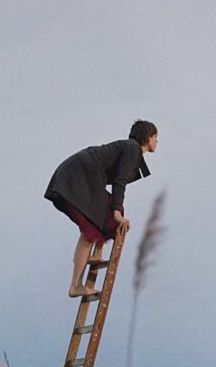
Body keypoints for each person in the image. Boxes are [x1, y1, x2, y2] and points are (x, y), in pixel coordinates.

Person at [45, 120, 157, 297]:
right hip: (78, 175)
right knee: (101, 220)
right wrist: (118, 213)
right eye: (155, 137)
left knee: (101, 218)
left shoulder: (129, 149)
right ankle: (76, 286)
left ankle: (95, 253)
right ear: (147, 137)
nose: (157, 141)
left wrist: (116, 211)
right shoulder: (133, 148)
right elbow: (120, 181)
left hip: (76, 175)